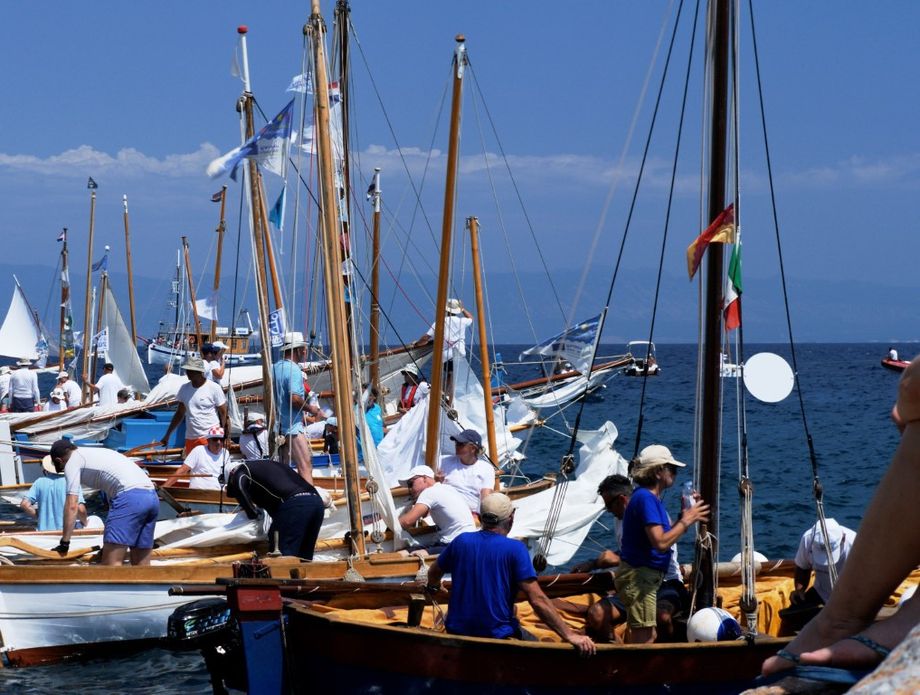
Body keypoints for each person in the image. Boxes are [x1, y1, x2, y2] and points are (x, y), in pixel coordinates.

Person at [761, 355, 920, 676]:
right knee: (913, 386)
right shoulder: (822, 540)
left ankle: (846, 618)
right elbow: (803, 571)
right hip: (826, 598)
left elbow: (802, 571)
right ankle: (842, 618)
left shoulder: (836, 540)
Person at [424, 492, 595, 655]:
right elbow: (537, 600)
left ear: (480, 517)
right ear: (511, 518)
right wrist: (570, 635)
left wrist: (433, 588)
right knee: (539, 647)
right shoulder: (515, 549)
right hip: (494, 636)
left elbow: (435, 571)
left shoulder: (461, 541)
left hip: (457, 630)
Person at [571, 474, 690, 643]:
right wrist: (593, 563)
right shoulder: (619, 520)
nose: (609, 511)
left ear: (621, 499)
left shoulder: (651, 513)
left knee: (661, 617)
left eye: (609, 506)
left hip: (665, 582)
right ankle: (621, 654)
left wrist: (611, 560)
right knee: (596, 615)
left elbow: (656, 550)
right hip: (635, 583)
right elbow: (627, 550)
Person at [614, 444, 710, 644]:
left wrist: (683, 516)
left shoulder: (647, 498)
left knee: (649, 635)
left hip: (644, 579)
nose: (675, 473)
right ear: (658, 471)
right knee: (645, 639)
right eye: (672, 469)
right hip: (639, 579)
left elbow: (662, 535)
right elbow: (660, 542)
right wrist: (686, 521)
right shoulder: (646, 499)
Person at [49, 439, 159, 566]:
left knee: (111, 564)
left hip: (130, 497)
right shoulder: (97, 452)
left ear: (59, 460)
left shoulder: (72, 462)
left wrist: (65, 542)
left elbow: (72, 505)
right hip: (151, 497)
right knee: (142, 564)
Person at [226, 459, 325, 560]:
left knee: (282, 556)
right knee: (304, 557)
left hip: (295, 505)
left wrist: (252, 512)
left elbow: (239, 487)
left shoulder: (241, 470)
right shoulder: (266, 467)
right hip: (316, 503)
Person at [160, 356, 228, 456]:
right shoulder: (184, 389)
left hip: (210, 437)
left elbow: (223, 413)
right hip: (190, 438)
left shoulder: (214, 388)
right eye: (187, 370)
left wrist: (225, 436)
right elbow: (179, 413)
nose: (187, 372)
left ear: (199, 372)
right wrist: (167, 435)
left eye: (190, 370)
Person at [398, 465, 476, 550]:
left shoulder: (429, 492)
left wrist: (390, 525)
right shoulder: (447, 488)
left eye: (411, 483)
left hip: (456, 543)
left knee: (405, 552)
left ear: (424, 478)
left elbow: (407, 521)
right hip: (469, 540)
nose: (410, 489)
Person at [788, 518, 856, 612]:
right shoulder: (807, 539)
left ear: (843, 538)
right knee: (792, 614)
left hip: (852, 597)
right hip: (821, 592)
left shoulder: (855, 544)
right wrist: (800, 590)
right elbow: (803, 567)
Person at [273, 332, 315, 483]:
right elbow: (295, 399)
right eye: (303, 349)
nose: (305, 352)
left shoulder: (275, 368)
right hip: (293, 427)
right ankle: (309, 500)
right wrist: (312, 409)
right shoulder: (294, 370)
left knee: (283, 468)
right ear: (296, 350)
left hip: (279, 428)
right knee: (305, 466)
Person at [414, 298, 473, 397]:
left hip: (446, 355)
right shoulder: (462, 321)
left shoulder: (440, 322)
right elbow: (471, 318)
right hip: (459, 353)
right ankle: (448, 395)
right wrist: (463, 309)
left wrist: (417, 344)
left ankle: (444, 394)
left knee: (447, 374)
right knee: (453, 375)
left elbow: (426, 337)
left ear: (446, 310)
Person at [20, 454, 88, 531]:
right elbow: (81, 509)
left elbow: (24, 505)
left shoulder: (39, 482)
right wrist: (85, 522)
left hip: (44, 534)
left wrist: (40, 516)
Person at [437, 428, 494, 515]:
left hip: (471, 515)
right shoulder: (443, 461)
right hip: (444, 511)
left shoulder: (486, 468)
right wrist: (436, 481)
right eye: (456, 443)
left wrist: (480, 518)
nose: (456, 446)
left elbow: (485, 497)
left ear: (473, 448)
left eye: (461, 444)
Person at [162, 425, 231, 490]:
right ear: (208, 440)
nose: (218, 442)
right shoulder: (199, 450)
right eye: (215, 439)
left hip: (218, 495)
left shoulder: (226, 453)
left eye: (221, 439)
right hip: (198, 493)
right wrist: (164, 488)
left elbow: (228, 476)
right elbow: (182, 470)